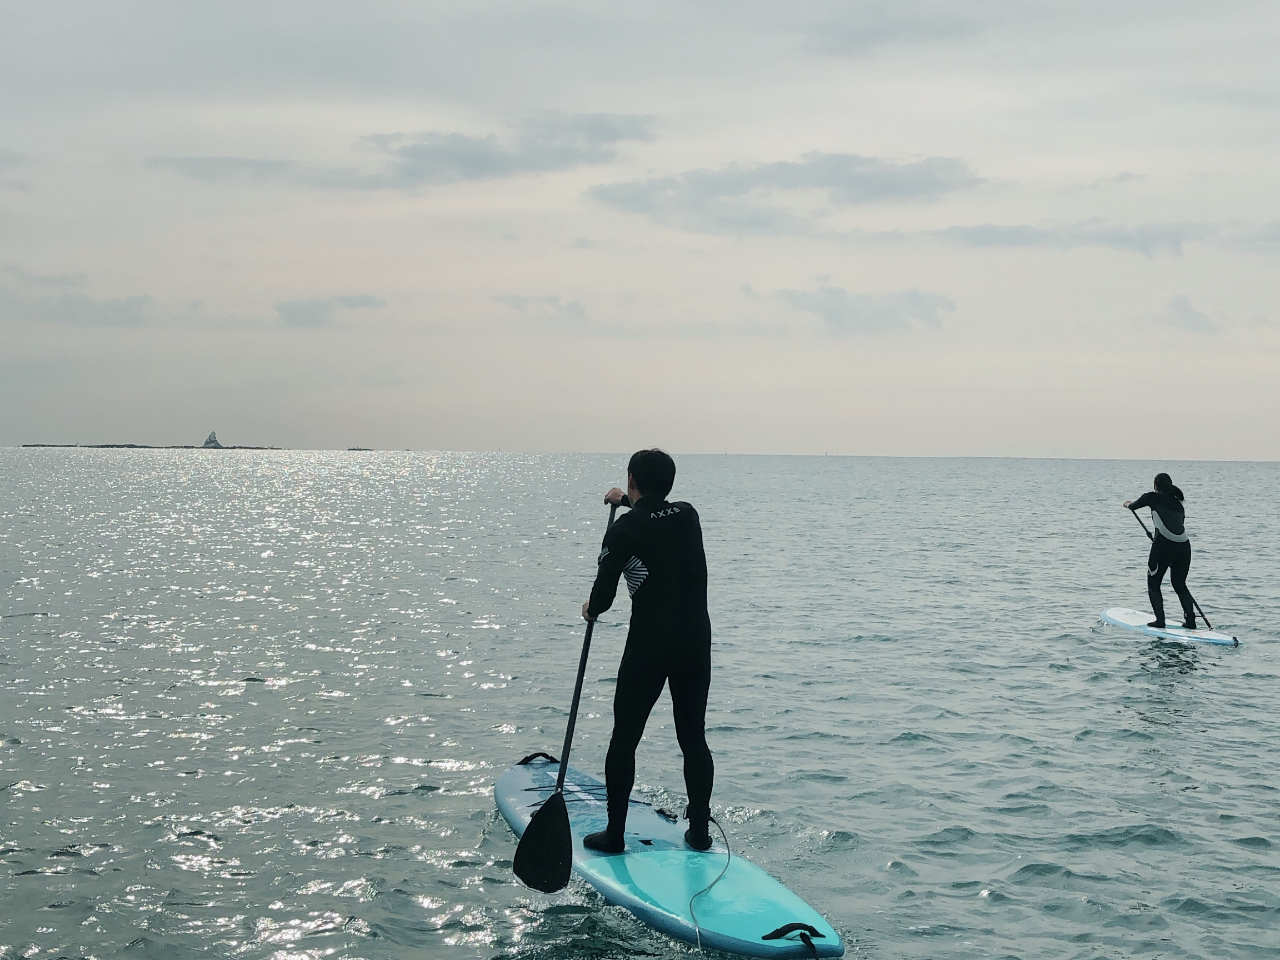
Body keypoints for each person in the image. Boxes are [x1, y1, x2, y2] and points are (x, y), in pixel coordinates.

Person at [579, 449, 715, 854]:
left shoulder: (624, 531)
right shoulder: (688, 515)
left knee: (625, 738)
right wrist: (624, 499)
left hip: (649, 646)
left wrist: (591, 608)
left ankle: (615, 834)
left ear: (633, 480)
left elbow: (603, 597)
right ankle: (700, 832)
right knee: (693, 737)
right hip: (695, 643)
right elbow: (657, 514)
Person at [1124, 473, 1196, 629]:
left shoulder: (1152, 497)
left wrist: (1127, 504)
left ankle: (1160, 621)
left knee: (1154, 585)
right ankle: (1191, 621)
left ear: (1156, 485)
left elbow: (1133, 505)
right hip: (1184, 546)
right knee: (1179, 584)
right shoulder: (1179, 504)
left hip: (1163, 545)